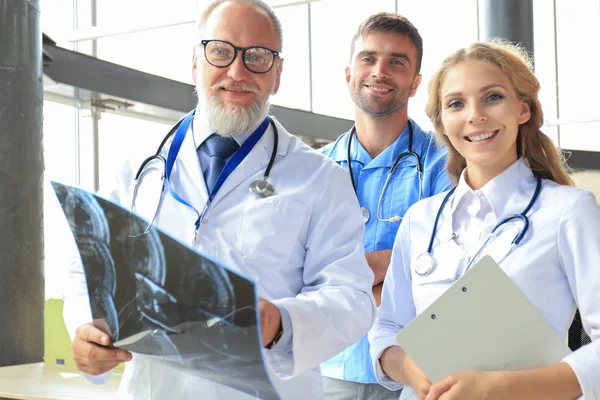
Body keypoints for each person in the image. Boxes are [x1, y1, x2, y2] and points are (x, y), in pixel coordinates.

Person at [63, 1, 377, 399]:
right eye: (221, 51)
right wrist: (84, 329)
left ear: (277, 74)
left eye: (258, 57)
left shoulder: (320, 179)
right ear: (195, 61)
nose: (237, 72)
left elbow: (351, 298)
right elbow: (87, 265)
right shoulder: (138, 164)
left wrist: (281, 322)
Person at [369, 40, 600, 400]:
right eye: (456, 104)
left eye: (492, 97)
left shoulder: (569, 212)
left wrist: (498, 388)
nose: (474, 115)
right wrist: (414, 372)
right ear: (442, 123)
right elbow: (386, 327)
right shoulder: (421, 219)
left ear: (523, 109)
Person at [319, 12, 451, 399]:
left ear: (415, 84)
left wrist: (347, 273)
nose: (380, 71)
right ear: (348, 75)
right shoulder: (314, 169)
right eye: (368, 58)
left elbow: (446, 268)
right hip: (331, 367)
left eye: (397, 62)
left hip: (418, 365)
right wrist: (393, 266)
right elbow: (302, 271)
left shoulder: (446, 164)